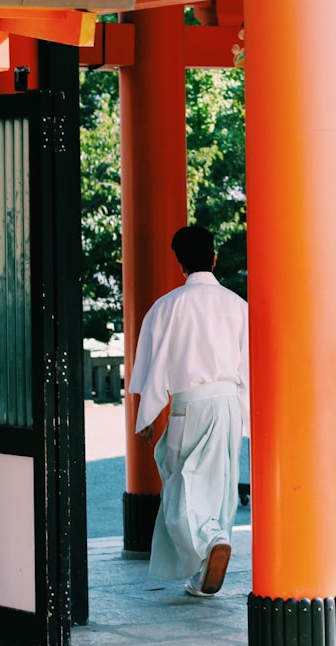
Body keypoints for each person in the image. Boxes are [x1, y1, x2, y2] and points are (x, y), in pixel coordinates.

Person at [129, 225, 250, 598]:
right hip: (227, 403)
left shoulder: (166, 307)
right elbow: (249, 367)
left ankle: (208, 542)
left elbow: (152, 366)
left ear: (179, 263)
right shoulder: (237, 306)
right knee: (222, 486)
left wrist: (148, 415)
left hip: (186, 406)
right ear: (214, 258)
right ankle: (206, 565)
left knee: (180, 483)